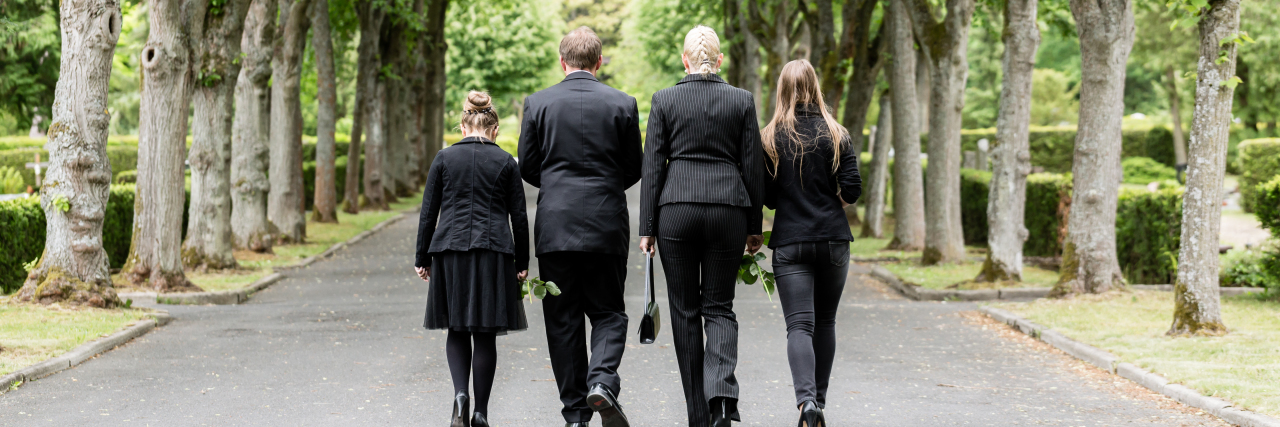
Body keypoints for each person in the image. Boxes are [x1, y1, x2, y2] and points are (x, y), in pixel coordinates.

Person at [637, 25, 764, 427]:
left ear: (684, 59)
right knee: (719, 307)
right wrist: (754, 225)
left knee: (685, 311)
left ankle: (698, 414)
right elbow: (753, 167)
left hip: (677, 209)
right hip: (729, 208)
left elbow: (653, 166)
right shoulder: (741, 101)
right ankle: (722, 397)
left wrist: (647, 227)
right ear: (720, 59)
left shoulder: (664, 99)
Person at [518, 26, 643, 427]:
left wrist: (558, 187)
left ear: (562, 62)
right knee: (608, 311)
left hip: (555, 225)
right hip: (606, 222)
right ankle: (603, 382)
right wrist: (605, 187)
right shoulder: (623, 104)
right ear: (599, 61)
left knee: (563, 319)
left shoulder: (538, 104)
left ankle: (575, 415)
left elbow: (528, 166)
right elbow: (633, 167)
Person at [415, 91, 530, 427]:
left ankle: (460, 395)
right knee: (484, 332)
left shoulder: (443, 159)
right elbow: (519, 218)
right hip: (493, 252)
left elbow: (428, 213)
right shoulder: (507, 162)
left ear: (463, 127)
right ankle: (480, 412)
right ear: (494, 129)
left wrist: (422, 257)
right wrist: (522, 262)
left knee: (456, 326)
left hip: (449, 251)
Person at [761, 60, 862, 427]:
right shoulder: (837, 133)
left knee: (799, 326)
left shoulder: (770, 137)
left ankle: (806, 403)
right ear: (815, 87)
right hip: (834, 239)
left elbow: (767, 195)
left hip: (791, 241)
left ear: (783, 90)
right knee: (826, 321)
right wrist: (830, 203)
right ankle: (819, 399)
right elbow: (852, 188)